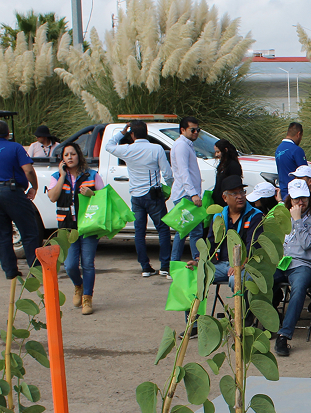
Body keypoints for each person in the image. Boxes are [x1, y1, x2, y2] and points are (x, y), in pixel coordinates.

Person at [105, 120, 172, 277]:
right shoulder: (156, 149)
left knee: (140, 232)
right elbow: (167, 173)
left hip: (136, 196)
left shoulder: (127, 149)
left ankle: (145, 267)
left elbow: (109, 145)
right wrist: (170, 186)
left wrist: (121, 133)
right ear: (147, 133)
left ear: (132, 134)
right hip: (154, 194)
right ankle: (165, 266)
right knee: (162, 229)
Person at [0, 120, 43, 279]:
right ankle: (36, 271)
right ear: (8, 134)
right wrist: (34, 186)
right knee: (29, 232)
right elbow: (28, 170)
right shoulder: (15, 147)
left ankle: (10, 271)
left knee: (1, 234)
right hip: (11, 191)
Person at [272, 178, 311, 358]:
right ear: (290, 199)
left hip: (303, 264)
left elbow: (307, 244)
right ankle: (266, 321)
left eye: (304, 198)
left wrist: (297, 221)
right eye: (296, 199)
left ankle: (284, 335)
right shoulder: (282, 216)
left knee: (298, 290)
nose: (300, 203)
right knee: (259, 280)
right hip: (281, 262)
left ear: (310, 198)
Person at [46, 141, 104, 315]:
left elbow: (105, 199)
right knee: (70, 265)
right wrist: (62, 176)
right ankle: (78, 285)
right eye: (66, 155)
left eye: (72, 154)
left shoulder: (92, 175)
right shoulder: (56, 177)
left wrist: (92, 194)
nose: (70, 157)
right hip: (67, 228)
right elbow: (52, 197)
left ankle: (87, 297)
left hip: (88, 226)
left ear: (79, 155)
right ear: (62, 159)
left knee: (87, 263)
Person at [203, 176, 264, 292]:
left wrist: (239, 266)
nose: (240, 196)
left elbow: (253, 246)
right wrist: (199, 262)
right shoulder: (219, 216)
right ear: (225, 197)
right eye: (234, 193)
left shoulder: (255, 216)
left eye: (242, 192)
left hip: (246, 265)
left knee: (235, 280)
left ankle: (241, 310)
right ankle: (194, 311)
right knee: (195, 276)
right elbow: (210, 243)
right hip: (220, 264)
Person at [169, 116, 204, 263]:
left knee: (184, 231)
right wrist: (193, 194)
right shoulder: (182, 146)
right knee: (193, 231)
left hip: (186, 194)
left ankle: (176, 263)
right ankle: (195, 262)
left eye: (198, 130)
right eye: (192, 130)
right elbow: (184, 172)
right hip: (186, 195)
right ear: (183, 130)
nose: (195, 132)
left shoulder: (186, 144)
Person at [275, 122, 307, 198]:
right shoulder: (297, 150)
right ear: (298, 134)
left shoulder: (278, 149)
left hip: (283, 191)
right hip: (295, 192)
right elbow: (305, 172)